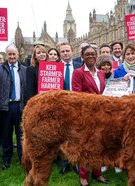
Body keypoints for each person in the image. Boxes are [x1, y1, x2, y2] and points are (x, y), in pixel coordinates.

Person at [72, 45, 110, 186]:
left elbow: (103, 92)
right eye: (87, 54)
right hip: (86, 116)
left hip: (101, 115)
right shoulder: (78, 73)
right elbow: (77, 96)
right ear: (82, 56)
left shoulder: (100, 73)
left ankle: (97, 173)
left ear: (97, 55)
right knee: (86, 147)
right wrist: (96, 101)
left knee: (99, 145)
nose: (90, 56)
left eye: (93, 54)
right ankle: (83, 176)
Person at [0, 45, 27, 170]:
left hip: (20, 106)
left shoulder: (24, 70)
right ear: (6, 55)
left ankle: (23, 158)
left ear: (18, 55)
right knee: (6, 134)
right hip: (4, 106)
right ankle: (6, 158)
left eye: (14, 54)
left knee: (21, 134)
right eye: (9, 54)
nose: (12, 56)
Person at [56, 42, 81, 174]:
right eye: (63, 51)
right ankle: (64, 162)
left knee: (76, 134)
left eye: (67, 51)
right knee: (62, 135)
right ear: (59, 53)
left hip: (76, 105)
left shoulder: (79, 66)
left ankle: (75, 162)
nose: (65, 53)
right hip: (60, 105)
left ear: (72, 51)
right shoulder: (54, 68)